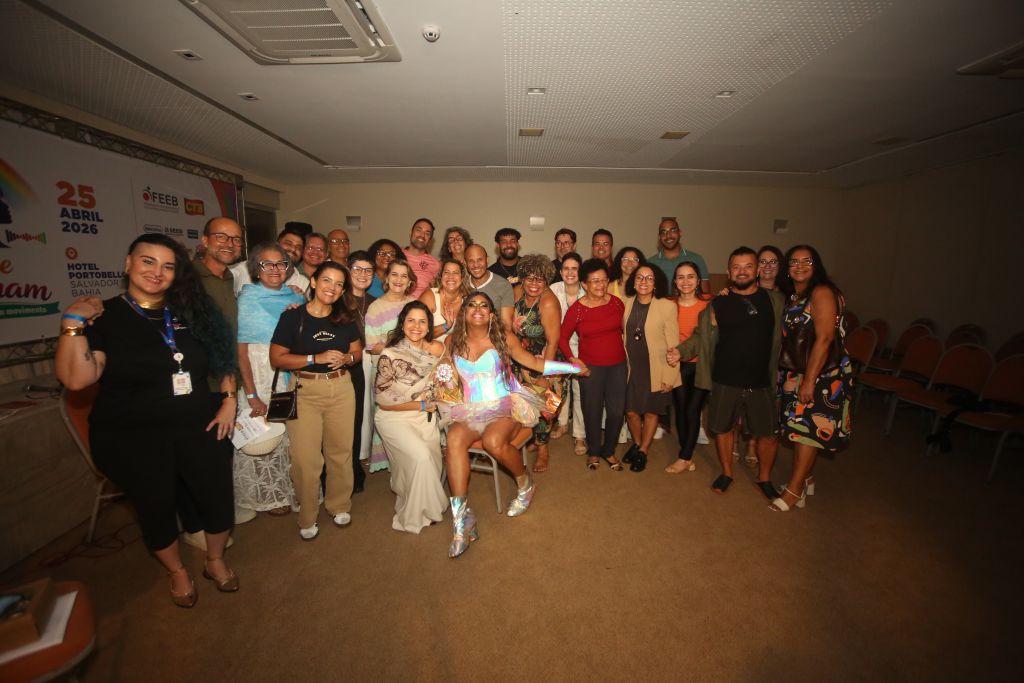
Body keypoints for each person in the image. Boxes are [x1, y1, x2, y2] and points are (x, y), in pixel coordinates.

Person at [55, 234, 239, 607]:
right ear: (128, 264)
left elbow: (221, 356)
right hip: (133, 435)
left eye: (168, 266)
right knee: (156, 507)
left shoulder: (191, 310)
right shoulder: (104, 317)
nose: (157, 272)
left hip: (199, 424)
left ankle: (215, 559)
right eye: (147, 261)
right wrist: (73, 324)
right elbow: (77, 379)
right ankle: (177, 571)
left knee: (218, 496)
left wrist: (229, 400)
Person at [442, 292, 576, 558]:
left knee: (493, 442)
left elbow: (535, 362)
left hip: (504, 404)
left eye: (484, 305)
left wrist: (572, 368)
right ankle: (462, 520)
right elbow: (448, 380)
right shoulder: (451, 341)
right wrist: (443, 382)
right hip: (471, 408)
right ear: (464, 312)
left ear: (492, 314)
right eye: (472, 305)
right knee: (453, 439)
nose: (478, 309)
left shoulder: (503, 338)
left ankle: (525, 485)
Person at [667, 247, 784, 499]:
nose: (742, 271)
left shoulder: (774, 301)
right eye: (736, 267)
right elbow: (699, 337)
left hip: (761, 380)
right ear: (729, 272)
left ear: (757, 270)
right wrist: (680, 351)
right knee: (722, 429)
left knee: (768, 434)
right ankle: (727, 472)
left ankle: (764, 478)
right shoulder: (717, 304)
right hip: (724, 379)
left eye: (748, 266)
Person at [270, 262, 363, 540]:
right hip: (305, 390)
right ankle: (308, 514)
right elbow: (277, 358)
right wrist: (315, 358)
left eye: (338, 284)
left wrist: (347, 358)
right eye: (326, 280)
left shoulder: (345, 318)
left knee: (340, 452)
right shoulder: (292, 317)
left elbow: (357, 352)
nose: (332, 288)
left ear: (343, 291)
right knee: (305, 458)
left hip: (341, 388)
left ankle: (339, 505)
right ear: (313, 281)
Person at [770, 245, 853, 512]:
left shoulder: (822, 292)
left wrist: (809, 380)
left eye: (806, 261)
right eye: (794, 262)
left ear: (816, 265)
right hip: (798, 371)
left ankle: (794, 490)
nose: (800, 266)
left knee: (807, 433)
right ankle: (806, 479)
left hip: (821, 375)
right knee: (798, 429)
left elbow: (825, 338)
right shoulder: (796, 295)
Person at [182, 216, 242, 547]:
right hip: (198, 386)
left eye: (235, 239)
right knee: (198, 461)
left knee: (218, 457)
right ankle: (195, 527)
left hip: (226, 382)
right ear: (204, 240)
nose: (229, 244)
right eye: (222, 237)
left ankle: (213, 520)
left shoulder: (228, 278)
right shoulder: (186, 280)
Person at [235, 243, 304, 518]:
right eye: (268, 264)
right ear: (256, 268)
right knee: (262, 435)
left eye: (281, 264)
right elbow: (241, 354)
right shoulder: (247, 299)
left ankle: (290, 489)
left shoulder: (296, 297)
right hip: (260, 375)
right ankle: (266, 495)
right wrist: (252, 395)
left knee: (290, 437)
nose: (275, 269)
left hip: (290, 376)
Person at [373, 301, 447, 533]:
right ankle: (417, 513)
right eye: (411, 320)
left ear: (429, 326)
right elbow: (383, 401)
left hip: (425, 418)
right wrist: (422, 404)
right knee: (421, 457)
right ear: (402, 324)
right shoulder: (390, 353)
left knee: (429, 462)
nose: (416, 326)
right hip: (393, 418)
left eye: (422, 321)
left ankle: (424, 503)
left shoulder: (437, 349)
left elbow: (447, 380)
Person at [559, 258, 627, 471]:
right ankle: (594, 451)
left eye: (604, 280)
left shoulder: (616, 303)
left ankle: (609, 450)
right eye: (595, 281)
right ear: (584, 284)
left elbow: (624, 331)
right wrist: (573, 359)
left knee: (617, 412)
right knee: (592, 411)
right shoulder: (577, 310)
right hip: (591, 369)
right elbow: (562, 338)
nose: (601, 285)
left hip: (618, 366)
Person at [620, 265, 680, 472]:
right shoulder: (626, 303)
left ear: (656, 283)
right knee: (630, 411)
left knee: (651, 412)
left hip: (656, 368)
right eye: (639, 277)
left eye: (649, 278)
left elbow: (673, 345)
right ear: (633, 281)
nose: (643, 282)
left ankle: (643, 450)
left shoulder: (667, 306)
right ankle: (637, 443)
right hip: (631, 368)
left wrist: (670, 376)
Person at [511, 254, 562, 473]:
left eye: (540, 279)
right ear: (522, 278)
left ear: (546, 280)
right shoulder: (517, 292)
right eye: (529, 278)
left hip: (544, 359)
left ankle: (543, 449)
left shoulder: (548, 302)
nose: (534, 283)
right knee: (522, 405)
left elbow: (553, 342)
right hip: (520, 358)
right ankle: (531, 438)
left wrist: (545, 375)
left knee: (545, 406)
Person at [364, 259, 417, 472]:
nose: (399, 280)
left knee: (410, 420)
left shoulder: (414, 304)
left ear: (410, 281)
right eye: (394, 274)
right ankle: (392, 463)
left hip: (414, 372)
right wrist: (399, 343)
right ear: (386, 278)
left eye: (404, 276)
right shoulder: (375, 307)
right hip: (386, 374)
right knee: (390, 419)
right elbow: (372, 347)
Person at [665, 261, 712, 474]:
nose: (686, 281)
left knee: (693, 410)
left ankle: (684, 456)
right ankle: (687, 452)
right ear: (675, 281)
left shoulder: (710, 305)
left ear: (698, 280)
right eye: (681, 277)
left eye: (690, 276)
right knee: (681, 409)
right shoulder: (668, 305)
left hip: (702, 367)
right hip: (677, 365)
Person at [549, 252, 587, 453]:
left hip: (582, 348)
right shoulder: (553, 290)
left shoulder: (587, 290)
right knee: (559, 388)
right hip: (557, 346)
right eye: (566, 268)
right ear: (560, 270)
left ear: (580, 271)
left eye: (574, 268)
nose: (570, 272)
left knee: (580, 391)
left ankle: (579, 435)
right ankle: (562, 423)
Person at [345, 250, 377, 492]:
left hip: (371, 360)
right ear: (348, 271)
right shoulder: (337, 299)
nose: (363, 274)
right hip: (346, 362)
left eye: (368, 270)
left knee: (366, 412)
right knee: (350, 415)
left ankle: (360, 458)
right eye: (357, 269)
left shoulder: (375, 302)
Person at [230, 226, 308, 295]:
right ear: (276, 244)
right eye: (288, 243)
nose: (293, 249)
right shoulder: (243, 269)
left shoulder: (303, 283)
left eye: (299, 247)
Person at [465, 243, 515, 329]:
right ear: (465, 263)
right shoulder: (461, 285)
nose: (476, 265)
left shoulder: (504, 286)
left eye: (479, 260)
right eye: (471, 261)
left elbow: (506, 326)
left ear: (487, 260)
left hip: (495, 334)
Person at [419, 258, 469, 341]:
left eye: (455, 273)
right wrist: (446, 326)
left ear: (462, 278)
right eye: (446, 272)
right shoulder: (430, 296)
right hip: (427, 346)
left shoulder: (467, 301)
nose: (451, 276)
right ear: (441, 276)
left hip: (453, 347)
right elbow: (419, 332)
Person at [648, 217, 710, 284]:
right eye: (663, 232)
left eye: (673, 230)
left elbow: (705, 290)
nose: (668, 235)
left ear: (680, 233)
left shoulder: (696, 259)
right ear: (659, 237)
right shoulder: (650, 263)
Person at [403, 218, 440, 297]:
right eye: (418, 230)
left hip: (421, 303)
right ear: (411, 233)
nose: (422, 235)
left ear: (430, 240)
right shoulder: (396, 254)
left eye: (427, 233)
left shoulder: (435, 264)